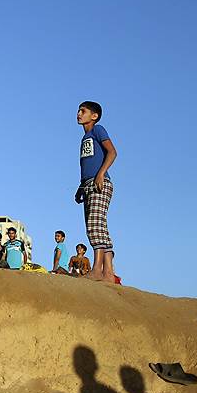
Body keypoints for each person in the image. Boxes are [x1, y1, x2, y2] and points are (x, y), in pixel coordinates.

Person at [74, 101, 118, 283]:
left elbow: (112, 152)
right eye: (78, 110)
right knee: (99, 226)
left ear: (94, 116)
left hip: (100, 182)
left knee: (94, 225)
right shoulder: (84, 139)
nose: (78, 113)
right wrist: (81, 187)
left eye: (83, 111)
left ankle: (96, 269)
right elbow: (86, 165)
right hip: (88, 184)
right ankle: (108, 272)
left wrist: (100, 174)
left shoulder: (97, 130)